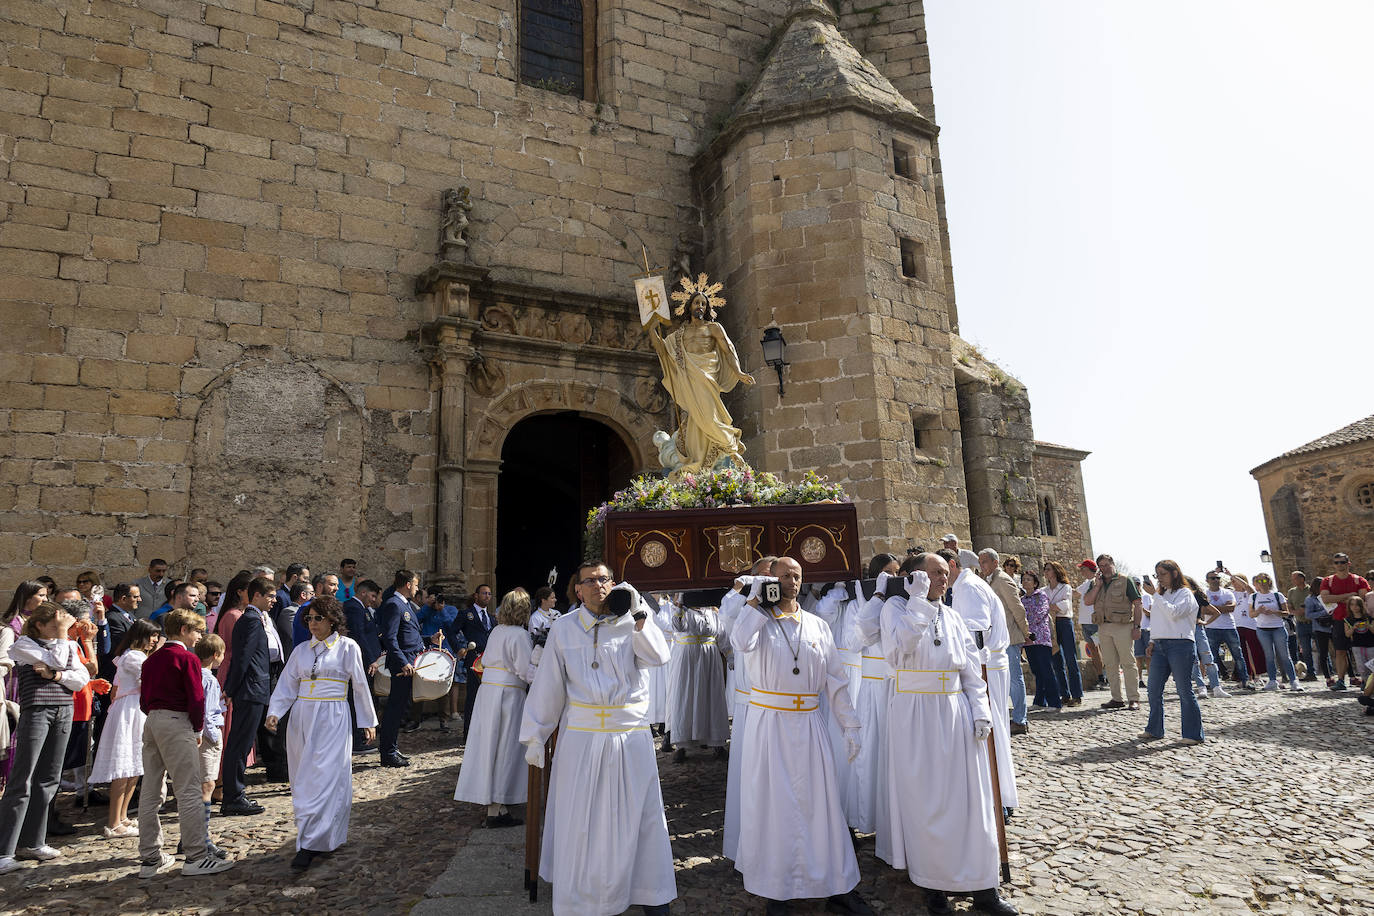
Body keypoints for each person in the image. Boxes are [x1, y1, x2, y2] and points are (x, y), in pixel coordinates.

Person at [519, 561, 675, 915]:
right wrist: (535, 735)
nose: (598, 586)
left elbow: (660, 657)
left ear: (614, 583)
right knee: (581, 818)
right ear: (578, 590)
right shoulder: (564, 628)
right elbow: (549, 686)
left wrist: (639, 614)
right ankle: (585, 898)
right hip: (583, 739)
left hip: (628, 737)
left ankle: (648, 893)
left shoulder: (633, 622)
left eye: (604, 580)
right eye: (590, 581)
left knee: (641, 815)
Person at [730, 558, 872, 916]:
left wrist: (850, 724)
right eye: (782, 576)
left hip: (809, 724)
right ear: (768, 580)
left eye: (796, 576)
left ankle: (837, 885)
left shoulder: (818, 626)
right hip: (770, 726)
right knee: (774, 807)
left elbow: (835, 681)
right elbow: (739, 641)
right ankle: (776, 890)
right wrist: (754, 602)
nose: (790, 581)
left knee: (820, 806)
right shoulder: (758, 619)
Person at [882, 555, 1016, 916]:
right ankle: (933, 887)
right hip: (916, 714)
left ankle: (984, 887)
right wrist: (919, 604)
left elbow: (972, 671)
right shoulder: (895, 609)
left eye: (945, 572)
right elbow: (898, 651)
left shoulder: (955, 616)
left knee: (972, 802)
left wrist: (981, 712)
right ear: (916, 577)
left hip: (955, 713)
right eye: (935, 572)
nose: (944, 577)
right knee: (926, 803)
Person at [264, 595, 376, 870]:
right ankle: (313, 835)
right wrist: (274, 712)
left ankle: (311, 844)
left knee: (327, 776)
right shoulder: (301, 650)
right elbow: (288, 685)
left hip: (332, 717)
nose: (312, 623)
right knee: (303, 777)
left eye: (318, 618)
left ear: (332, 620)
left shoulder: (347, 647)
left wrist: (368, 721)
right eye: (309, 618)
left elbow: (360, 685)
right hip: (302, 717)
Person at [135, 609, 233, 878]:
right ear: (183, 630)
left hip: (153, 721)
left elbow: (144, 700)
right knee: (188, 788)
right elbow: (196, 697)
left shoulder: (151, 660)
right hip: (177, 721)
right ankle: (196, 855)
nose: (200, 636)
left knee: (151, 790)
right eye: (197, 631)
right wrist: (198, 727)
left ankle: (150, 856)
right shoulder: (186, 658)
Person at [0, 602, 89, 875]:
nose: (59, 629)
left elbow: (80, 678)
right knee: (22, 778)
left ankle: (33, 841)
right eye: (54, 624)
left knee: (49, 778)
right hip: (37, 711)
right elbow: (61, 661)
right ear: (38, 624)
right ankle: (4, 850)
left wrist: (55, 675)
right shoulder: (23, 645)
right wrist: (62, 647)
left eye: (60, 625)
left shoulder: (68, 645)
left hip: (64, 710)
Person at [645, 285, 756, 474]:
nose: (700, 306)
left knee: (708, 414)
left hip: (708, 378)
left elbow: (728, 351)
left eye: (704, 304)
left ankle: (729, 444)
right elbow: (662, 351)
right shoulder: (679, 335)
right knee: (697, 418)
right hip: (690, 379)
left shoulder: (713, 328)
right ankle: (709, 454)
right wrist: (652, 330)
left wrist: (738, 372)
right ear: (689, 306)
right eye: (697, 303)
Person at [943, 548, 1018, 815]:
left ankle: (1000, 799)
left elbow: (976, 633)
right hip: (984, 663)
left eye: (941, 572)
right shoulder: (965, 586)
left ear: (953, 565)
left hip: (986, 665)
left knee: (992, 726)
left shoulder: (969, 588)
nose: (939, 580)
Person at [454, 588, 533, 827]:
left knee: (489, 746)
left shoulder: (497, 630)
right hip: (508, 696)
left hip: (488, 693)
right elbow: (525, 670)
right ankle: (497, 806)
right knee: (505, 748)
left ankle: (495, 805)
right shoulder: (519, 635)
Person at [717, 555, 776, 862]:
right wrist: (745, 592)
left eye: (773, 577)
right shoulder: (740, 600)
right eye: (764, 576)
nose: (769, 583)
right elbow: (726, 623)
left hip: (780, 703)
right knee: (748, 773)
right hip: (750, 700)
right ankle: (746, 844)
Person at [90, 619, 162, 838]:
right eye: (152, 636)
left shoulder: (138, 656)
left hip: (136, 710)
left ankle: (122, 816)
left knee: (133, 767)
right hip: (129, 711)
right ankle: (113, 821)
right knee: (123, 768)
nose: (155, 640)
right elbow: (149, 680)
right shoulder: (133, 657)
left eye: (157, 636)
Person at [220, 576, 276, 816]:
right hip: (250, 688)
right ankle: (233, 795)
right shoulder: (252, 621)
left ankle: (235, 793)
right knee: (239, 744)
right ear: (257, 596)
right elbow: (242, 658)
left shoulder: (253, 619)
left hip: (252, 688)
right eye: (270, 596)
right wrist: (231, 689)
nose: (274, 600)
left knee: (241, 743)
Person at [1139, 562, 1204, 745]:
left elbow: (1174, 613)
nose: (1158, 578)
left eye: (1162, 574)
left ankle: (1193, 733)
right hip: (1160, 645)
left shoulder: (1186, 594)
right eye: (1157, 574)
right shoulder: (1161, 595)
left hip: (1180, 644)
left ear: (1174, 573)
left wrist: (1154, 596)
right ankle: (1155, 728)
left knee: (1184, 690)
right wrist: (1152, 640)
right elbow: (1158, 619)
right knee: (1153, 689)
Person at [666, 592, 729, 762]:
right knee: (686, 698)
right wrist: (679, 604)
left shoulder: (713, 612)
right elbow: (677, 626)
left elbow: (722, 635)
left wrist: (729, 656)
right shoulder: (684, 612)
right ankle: (682, 745)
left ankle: (717, 743)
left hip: (710, 657)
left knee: (712, 699)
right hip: (688, 658)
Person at [376, 569, 424, 767]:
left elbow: (408, 636)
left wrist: (429, 639)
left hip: (409, 663)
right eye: (416, 584)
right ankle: (387, 753)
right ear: (408, 584)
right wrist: (403, 661)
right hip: (402, 666)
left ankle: (392, 748)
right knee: (395, 709)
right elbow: (390, 637)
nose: (417, 588)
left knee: (399, 708)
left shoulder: (404, 604)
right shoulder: (393, 604)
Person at [1084, 554, 1143, 711]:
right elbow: (1087, 601)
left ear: (1113, 564)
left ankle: (1133, 698)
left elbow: (1137, 604)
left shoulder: (1125, 580)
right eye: (1101, 566)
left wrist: (1137, 627)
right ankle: (1117, 698)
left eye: (1106, 565)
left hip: (1123, 626)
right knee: (1110, 664)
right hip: (1103, 626)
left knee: (1128, 662)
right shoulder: (1096, 583)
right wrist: (1097, 586)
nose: (1104, 568)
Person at [980, 549, 1031, 732]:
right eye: (980, 562)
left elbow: (1017, 608)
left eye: (984, 562)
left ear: (995, 562)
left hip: (1010, 636)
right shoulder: (991, 580)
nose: (981, 565)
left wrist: (1026, 632)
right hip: (1000, 638)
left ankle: (1020, 719)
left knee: (1014, 679)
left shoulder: (1002, 580)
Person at [194, 635, 227, 858]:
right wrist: (214, 735)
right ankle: (201, 837)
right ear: (216, 656)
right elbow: (206, 712)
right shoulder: (209, 679)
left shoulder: (197, 675)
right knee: (206, 786)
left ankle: (194, 835)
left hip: (201, 734)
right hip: (208, 736)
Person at [342, 579, 384, 753]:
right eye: (372, 595)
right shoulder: (353, 607)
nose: (373, 600)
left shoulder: (363, 608)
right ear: (363, 592)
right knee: (357, 698)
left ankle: (363, 735)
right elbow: (358, 635)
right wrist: (370, 658)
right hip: (362, 661)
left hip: (368, 660)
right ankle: (357, 739)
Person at [1320, 554, 1369, 690]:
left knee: (1362, 650)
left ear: (1348, 563)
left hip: (1359, 620)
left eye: (1342, 562)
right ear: (1334, 565)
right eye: (1336, 562)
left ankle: (1367, 680)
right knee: (1340, 651)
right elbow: (1325, 599)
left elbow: (1362, 598)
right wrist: (1349, 596)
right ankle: (1341, 680)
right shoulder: (1327, 581)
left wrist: (1335, 598)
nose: (1339, 565)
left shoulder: (1359, 580)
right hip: (1339, 620)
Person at [1249, 573, 1302, 691]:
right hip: (1262, 629)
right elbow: (1251, 614)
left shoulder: (1277, 595)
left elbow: (1286, 612)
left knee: (1284, 655)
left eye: (1264, 581)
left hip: (1277, 627)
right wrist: (1258, 611)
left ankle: (1294, 681)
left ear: (1269, 582)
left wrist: (1273, 611)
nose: (1261, 584)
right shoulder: (1253, 597)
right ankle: (1272, 680)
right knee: (1269, 656)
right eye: (1258, 581)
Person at [458, 583, 494, 742]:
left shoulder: (492, 618)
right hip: (474, 659)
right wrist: (459, 647)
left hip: (490, 660)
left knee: (488, 697)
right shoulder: (466, 614)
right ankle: (468, 734)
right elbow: (452, 631)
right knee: (472, 696)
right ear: (476, 595)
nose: (487, 596)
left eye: (489, 594)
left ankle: (484, 733)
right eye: (484, 593)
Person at [1020, 570, 1060, 711]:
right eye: (1024, 579)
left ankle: (1055, 702)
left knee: (1046, 670)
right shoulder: (1022, 600)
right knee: (1037, 671)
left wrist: (1025, 624)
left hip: (1041, 638)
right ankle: (1040, 701)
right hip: (1028, 640)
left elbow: (1041, 613)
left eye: (1028, 579)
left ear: (1035, 582)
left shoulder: (1041, 596)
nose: (1025, 581)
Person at [1043, 562, 1082, 707]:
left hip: (1064, 623)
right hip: (1051, 624)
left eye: (1048, 569)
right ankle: (1064, 694)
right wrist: (1053, 606)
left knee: (1070, 658)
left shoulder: (1065, 588)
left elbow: (1066, 604)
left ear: (1055, 571)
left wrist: (1051, 606)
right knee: (1056, 659)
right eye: (1045, 570)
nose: (1046, 572)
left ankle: (1077, 695)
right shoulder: (1045, 590)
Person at [1228, 574, 1266, 686]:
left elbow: (1250, 590)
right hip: (1236, 625)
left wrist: (1232, 575)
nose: (1233, 583)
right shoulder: (1231, 594)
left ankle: (1258, 676)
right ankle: (1247, 676)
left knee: (1254, 651)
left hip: (1250, 625)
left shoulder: (1249, 594)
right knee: (1242, 652)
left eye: (1235, 581)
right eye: (1232, 581)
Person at [1288, 571, 1317, 680]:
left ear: (1302, 579)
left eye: (1295, 578)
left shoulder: (1311, 590)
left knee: (1320, 647)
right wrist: (1296, 612)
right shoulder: (1291, 592)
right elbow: (1289, 607)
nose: (1293, 580)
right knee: (1305, 650)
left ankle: (1329, 672)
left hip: (1314, 623)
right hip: (1300, 624)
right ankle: (1311, 673)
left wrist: (1306, 610)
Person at [1343, 596, 1374, 686]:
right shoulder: (1348, 620)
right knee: (1361, 667)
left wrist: (1368, 626)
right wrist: (1353, 628)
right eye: (1352, 605)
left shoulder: (1368, 618)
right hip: (1357, 645)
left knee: (1371, 665)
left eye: (1357, 605)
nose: (1355, 607)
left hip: (1370, 645)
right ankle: (1366, 682)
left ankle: (1371, 684)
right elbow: (1347, 634)